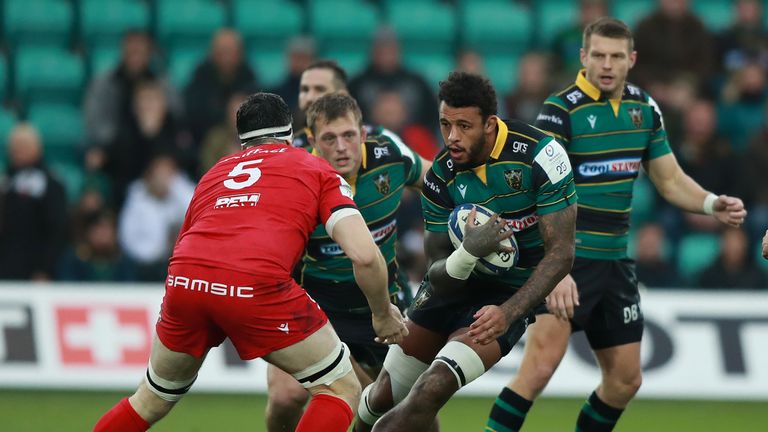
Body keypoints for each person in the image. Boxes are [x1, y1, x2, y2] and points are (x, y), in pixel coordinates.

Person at [485, 17, 747, 432]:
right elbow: (535, 193)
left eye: (616, 57)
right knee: (538, 368)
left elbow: (669, 178)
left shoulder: (644, 109)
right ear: (584, 56)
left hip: (614, 263)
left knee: (625, 380)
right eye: (599, 56)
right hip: (567, 262)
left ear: (632, 60)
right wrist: (553, 268)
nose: (607, 64)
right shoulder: (560, 110)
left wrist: (712, 203)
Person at [93, 93, 408, 432]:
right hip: (254, 283)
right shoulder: (315, 168)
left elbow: (187, 242)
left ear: (242, 140)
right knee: (340, 388)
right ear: (291, 134)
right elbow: (364, 255)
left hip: (185, 282)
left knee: (150, 398)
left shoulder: (215, 174)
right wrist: (381, 313)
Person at [354, 71, 578, 432]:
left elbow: (561, 253)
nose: (452, 137)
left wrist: (509, 313)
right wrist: (469, 251)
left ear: (490, 124)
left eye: (464, 126)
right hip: (453, 289)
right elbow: (438, 274)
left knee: (431, 389)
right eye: (445, 124)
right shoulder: (440, 176)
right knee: (382, 396)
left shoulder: (541, 155)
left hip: (504, 299)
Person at [264, 93, 431, 432]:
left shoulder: (391, 157)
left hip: (383, 304)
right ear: (312, 140)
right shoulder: (293, 179)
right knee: (285, 398)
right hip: (315, 307)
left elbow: (442, 183)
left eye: (348, 136)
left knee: (419, 412)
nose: (341, 147)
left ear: (363, 134)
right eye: (329, 138)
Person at [0, 124, 67, 281]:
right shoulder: (5, 181)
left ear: (38, 147)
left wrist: (46, 269)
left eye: (23, 145)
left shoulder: (50, 182)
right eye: (14, 145)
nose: (18, 150)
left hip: (34, 270)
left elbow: (57, 229)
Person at [184, 29, 258, 147]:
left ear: (240, 53)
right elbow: (193, 116)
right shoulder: (200, 77)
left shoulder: (250, 77)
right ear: (212, 52)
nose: (226, 56)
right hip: (205, 140)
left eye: (230, 51)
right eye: (222, 51)